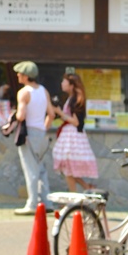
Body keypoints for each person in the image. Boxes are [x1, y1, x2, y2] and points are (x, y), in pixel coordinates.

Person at [13, 61, 52, 215]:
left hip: (28, 133)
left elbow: (21, 116)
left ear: (26, 76)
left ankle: (32, 203)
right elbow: (52, 114)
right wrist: (44, 127)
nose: (17, 75)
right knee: (41, 169)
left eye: (20, 73)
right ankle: (46, 202)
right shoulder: (43, 91)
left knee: (31, 169)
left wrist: (14, 115)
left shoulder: (24, 93)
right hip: (41, 133)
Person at [50, 71, 99, 192]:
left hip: (72, 136)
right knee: (69, 169)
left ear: (71, 85)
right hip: (71, 135)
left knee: (68, 168)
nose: (62, 83)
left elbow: (76, 122)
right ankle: (85, 189)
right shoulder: (72, 98)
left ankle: (75, 197)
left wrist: (60, 113)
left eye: (64, 81)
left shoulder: (75, 99)